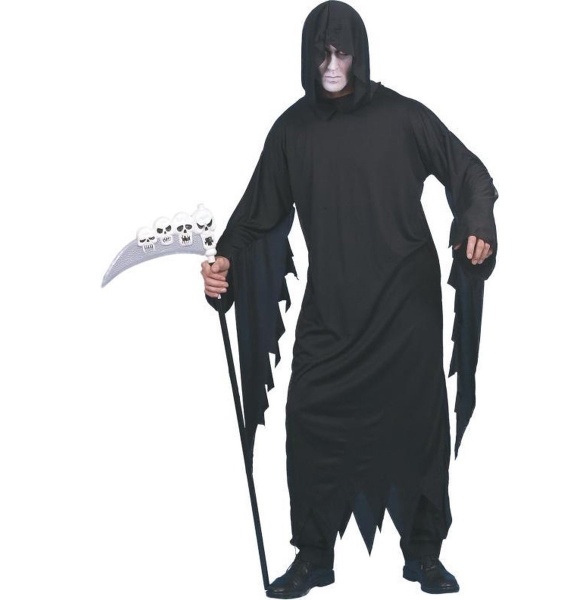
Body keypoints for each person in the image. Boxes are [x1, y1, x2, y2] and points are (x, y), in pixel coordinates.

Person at [202, 1, 498, 597]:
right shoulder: (291, 132)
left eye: (341, 53)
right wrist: (226, 263)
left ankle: (424, 553)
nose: (332, 66)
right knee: (310, 419)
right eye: (322, 55)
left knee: (418, 429)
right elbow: (256, 215)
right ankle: (312, 557)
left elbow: (470, 174)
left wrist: (476, 221)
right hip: (332, 313)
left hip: (405, 310)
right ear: (306, 59)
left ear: (359, 54)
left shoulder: (404, 117)